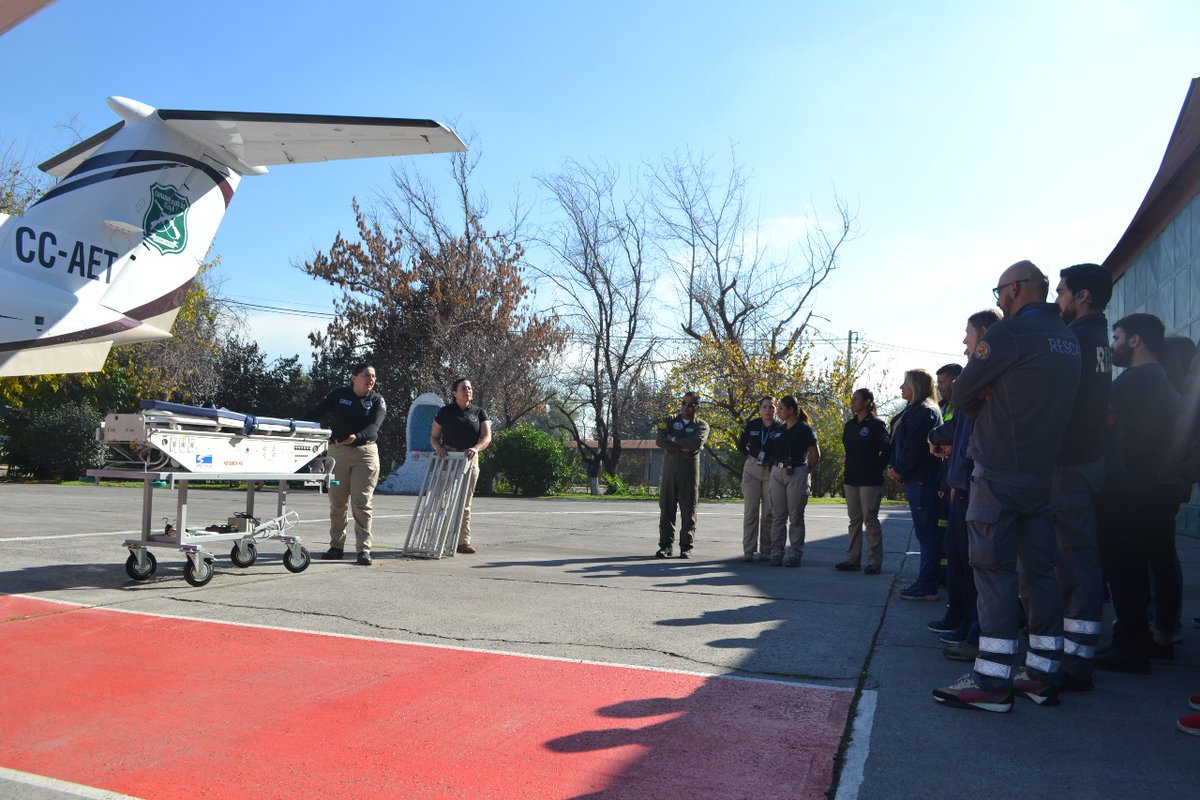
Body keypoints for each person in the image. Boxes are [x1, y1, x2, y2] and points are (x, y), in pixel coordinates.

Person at [933, 260, 1080, 713]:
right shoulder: (1069, 340)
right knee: (1039, 573)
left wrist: (991, 400)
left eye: (999, 293)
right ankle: (1042, 673)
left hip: (999, 471)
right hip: (1043, 473)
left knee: (993, 570)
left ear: (1014, 289)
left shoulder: (1008, 333)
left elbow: (959, 394)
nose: (998, 300)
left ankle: (991, 680)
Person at [1095, 314, 1183, 672]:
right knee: (1143, 563)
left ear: (1134, 340)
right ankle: (1142, 639)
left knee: (1124, 567)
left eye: (1116, 338)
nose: (1113, 345)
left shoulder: (1139, 379)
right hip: (1141, 484)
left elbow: (1094, 412)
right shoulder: (1155, 378)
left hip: (1128, 486)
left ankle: (1130, 646)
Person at [1049, 263, 1112, 691]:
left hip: (1070, 464)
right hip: (1085, 462)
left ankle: (1076, 661)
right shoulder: (1098, 339)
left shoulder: (1079, 340)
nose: (1058, 300)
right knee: (1075, 560)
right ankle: (1074, 651)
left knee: (1074, 563)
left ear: (1083, 295)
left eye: (1062, 292)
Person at [931, 311, 1001, 663]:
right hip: (962, 480)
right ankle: (963, 624)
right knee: (959, 558)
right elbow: (959, 430)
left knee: (978, 565)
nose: (964, 342)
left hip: (977, 482)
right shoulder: (976, 379)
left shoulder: (987, 372)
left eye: (968, 334)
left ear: (984, 333)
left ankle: (977, 633)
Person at [309, 362, 387, 566]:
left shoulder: (377, 400)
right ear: (354, 378)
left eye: (373, 376)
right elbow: (315, 413)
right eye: (367, 375)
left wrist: (357, 436)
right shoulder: (338, 395)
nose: (371, 379)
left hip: (365, 454)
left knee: (361, 503)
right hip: (337, 453)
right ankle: (336, 547)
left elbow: (374, 428)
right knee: (337, 503)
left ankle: (363, 550)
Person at [887, 369, 942, 600]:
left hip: (922, 480)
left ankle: (927, 584)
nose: (901, 387)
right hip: (915, 479)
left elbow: (914, 448)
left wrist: (900, 468)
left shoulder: (925, 412)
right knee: (924, 532)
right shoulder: (914, 410)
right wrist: (895, 465)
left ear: (916, 386)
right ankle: (926, 582)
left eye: (905, 383)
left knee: (927, 533)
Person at [431, 377, 492, 555]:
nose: (468, 391)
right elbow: (434, 437)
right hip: (448, 458)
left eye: (470, 388)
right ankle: (439, 539)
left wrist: (476, 448)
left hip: (468, 458)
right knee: (442, 499)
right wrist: (438, 448)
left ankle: (463, 541)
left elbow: (487, 437)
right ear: (454, 392)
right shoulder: (445, 412)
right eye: (464, 388)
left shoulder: (479, 412)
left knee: (465, 502)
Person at [836, 389, 890, 574]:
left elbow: (887, 449)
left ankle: (874, 561)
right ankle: (852, 559)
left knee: (870, 520)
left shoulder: (876, 425)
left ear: (867, 402)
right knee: (854, 520)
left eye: (856, 399)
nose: (852, 402)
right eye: (852, 399)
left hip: (870, 480)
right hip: (851, 478)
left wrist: (877, 467)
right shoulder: (850, 425)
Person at [767, 395, 820, 567]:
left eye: (781, 408)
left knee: (796, 516)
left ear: (791, 410)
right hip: (777, 472)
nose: (779, 411)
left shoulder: (804, 429)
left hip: (796, 471)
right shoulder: (779, 430)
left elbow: (815, 453)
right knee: (778, 516)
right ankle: (776, 553)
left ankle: (795, 554)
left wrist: (806, 471)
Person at [655, 392, 710, 558]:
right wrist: (682, 446)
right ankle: (665, 546)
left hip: (689, 473)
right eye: (684, 403)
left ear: (697, 407)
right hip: (670, 471)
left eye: (691, 404)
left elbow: (696, 443)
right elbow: (660, 440)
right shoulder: (670, 420)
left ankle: (686, 547)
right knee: (667, 509)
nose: (686, 407)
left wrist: (674, 440)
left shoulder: (702, 425)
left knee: (689, 510)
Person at [738, 396, 783, 562]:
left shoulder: (780, 427)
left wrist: (772, 458)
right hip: (752, 469)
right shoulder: (752, 425)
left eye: (771, 407)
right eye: (764, 407)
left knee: (769, 513)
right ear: (759, 409)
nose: (768, 411)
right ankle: (748, 551)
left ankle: (766, 551)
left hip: (771, 471)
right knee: (751, 511)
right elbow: (741, 444)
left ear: (776, 409)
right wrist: (752, 456)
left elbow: (783, 448)